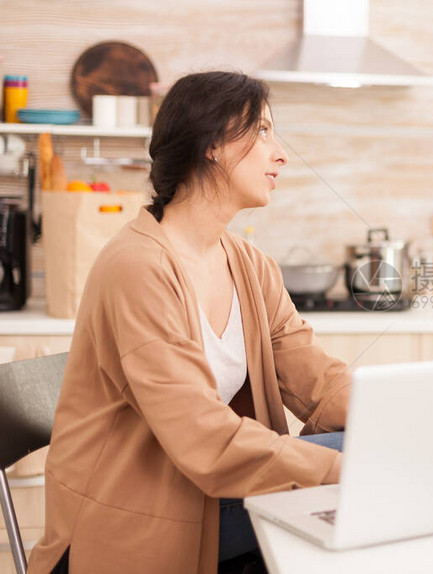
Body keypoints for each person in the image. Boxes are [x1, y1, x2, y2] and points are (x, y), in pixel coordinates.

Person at [28, 71, 351, 574]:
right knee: (357, 474)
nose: (281, 153)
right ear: (213, 144)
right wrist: (345, 468)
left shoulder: (248, 263)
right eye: (262, 131)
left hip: (201, 494)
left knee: (371, 453)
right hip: (131, 520)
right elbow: (203, 436)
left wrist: (398, 415)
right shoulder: (137, 267)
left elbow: (316, 378)